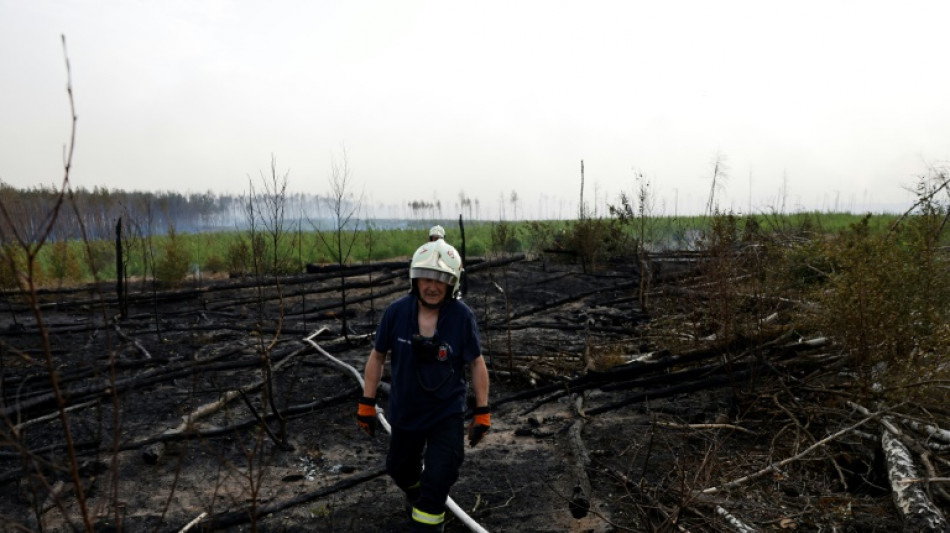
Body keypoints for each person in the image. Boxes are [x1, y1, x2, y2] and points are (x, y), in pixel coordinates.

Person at [357, 239, 490, 532]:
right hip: (407, 410)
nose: (432, 286)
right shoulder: (396, 313)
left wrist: (483, 411)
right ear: (414, 279)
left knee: (439, 479)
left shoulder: (461, 317)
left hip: (446, 414)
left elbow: (476, 363)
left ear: (452, 283)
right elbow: (377, 357)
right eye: (426, 278)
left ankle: (428, 516)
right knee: (400, 469)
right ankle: (418, 494)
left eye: (441, 280)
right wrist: (366, 403)